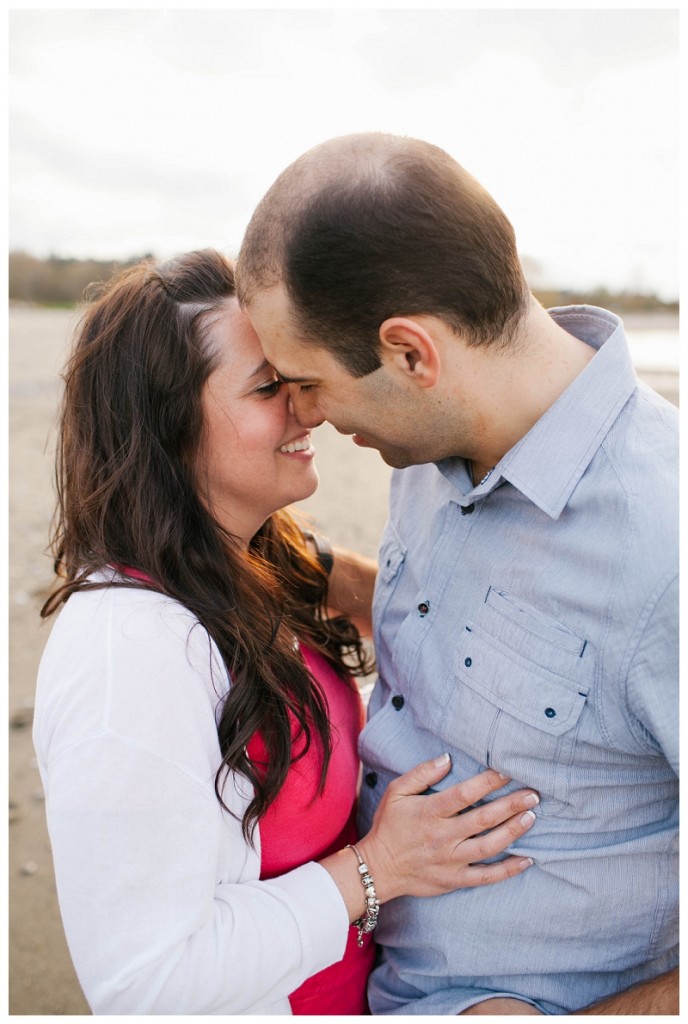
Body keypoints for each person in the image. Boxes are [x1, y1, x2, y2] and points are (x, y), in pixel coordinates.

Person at [235, 133, 679, 1015]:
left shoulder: (666, 543)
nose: (306, 416)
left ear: (411, 354)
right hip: (353, 966)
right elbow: (465, 610)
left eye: (310, 383)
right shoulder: (428, 450)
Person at [32, 248, 540, 1015]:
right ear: (168, 429)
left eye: (296, 377)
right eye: (269, 387)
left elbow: (395, 600)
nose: (308, 407)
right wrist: (378, 867)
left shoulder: (262, 559)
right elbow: (146, 987)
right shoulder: (127, 653)